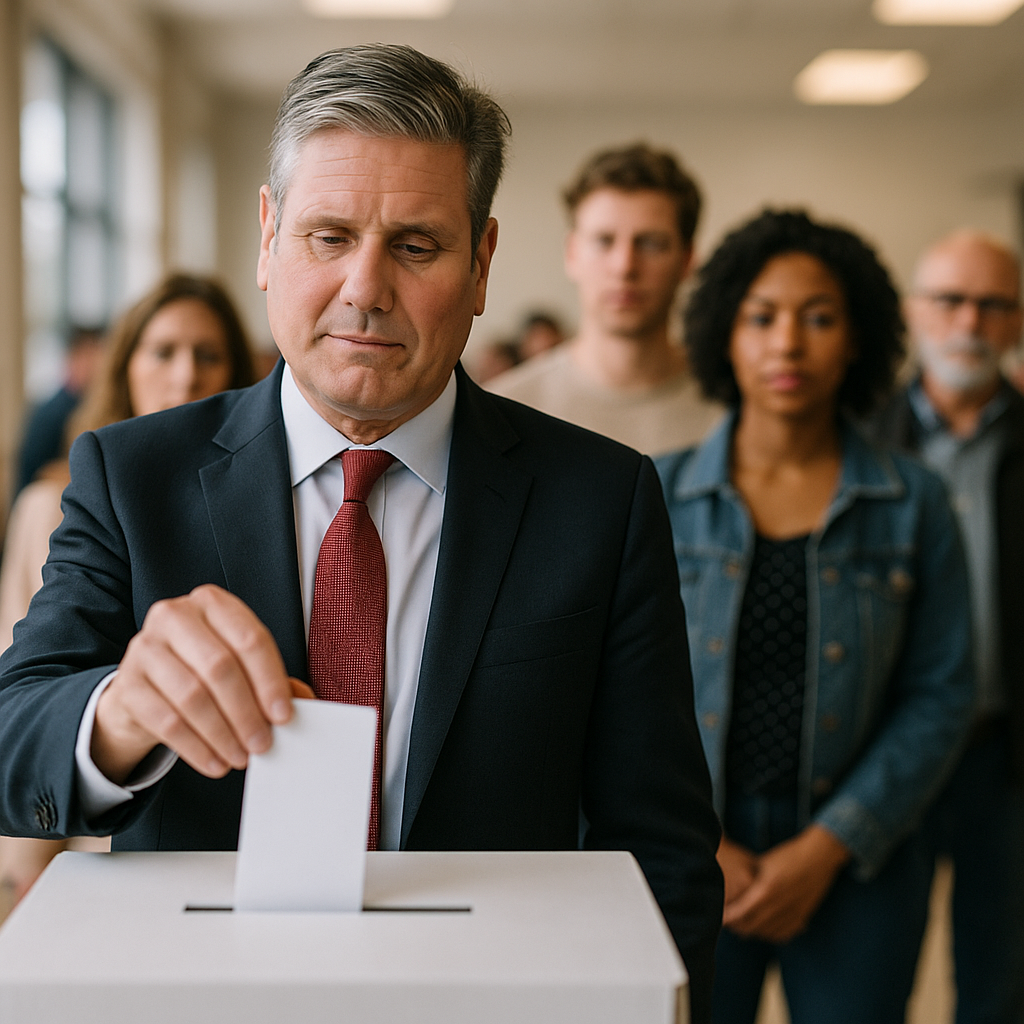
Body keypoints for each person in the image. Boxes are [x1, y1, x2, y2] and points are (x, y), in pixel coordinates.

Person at [0, 46, 722, 1022]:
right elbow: (16, 745)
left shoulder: (600, 499)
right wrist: (120, 714)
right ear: (267, 239)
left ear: (481, 262)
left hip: (495, 1001)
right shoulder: (134, 476)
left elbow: (664, 845)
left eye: (416, 245)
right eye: (328, 235)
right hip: (203, 998)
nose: (365, 287)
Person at [655, 210, 974, 1024]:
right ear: (724, 333)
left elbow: (942, 692)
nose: (787, 343)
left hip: (860, 856)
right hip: (694, 850)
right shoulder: (656, 494)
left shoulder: (914, 502)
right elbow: (616, 697)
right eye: (761, 317)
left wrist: (827, 848)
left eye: (819, 317)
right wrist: (702, 843)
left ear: (859, 336)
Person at [0, 272, 257, 908]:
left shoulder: (261, 504)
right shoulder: (48, 502)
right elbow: (30, 680)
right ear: (127, 365)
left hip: (226, 840)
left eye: (208, 354)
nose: (185, 374)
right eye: (163, 351)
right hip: (96, 845)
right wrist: (27, 863)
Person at [866, 230, 1024, 1024]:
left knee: (999, 984)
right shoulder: (859, 440)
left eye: (995, 305)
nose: (972, 321)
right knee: (871, 979)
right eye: (951, 300)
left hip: (1007, 758)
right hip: (884, 751)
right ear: (912, 313)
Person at [488, 143, 721, 456]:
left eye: (651, 244)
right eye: (604, 241)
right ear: (571, 252)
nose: (624, 266)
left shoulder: (731, 410)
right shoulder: (504, 412)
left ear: (687, 259)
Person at [14, 325, 105, 496]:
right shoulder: (52, 412)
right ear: (74, 357)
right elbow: (39, 472)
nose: (98, 367)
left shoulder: (88, 404)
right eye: (91, 356)